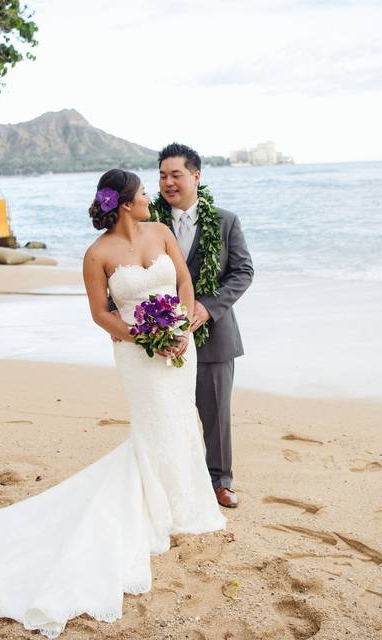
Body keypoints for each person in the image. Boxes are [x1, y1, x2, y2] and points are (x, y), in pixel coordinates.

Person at [0, 169, 226, 638]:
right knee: (154, 424)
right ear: (124, 203)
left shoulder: (160, 233)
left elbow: (184, 284)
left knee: (180, 422)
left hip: (180, 343)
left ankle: (185, 506)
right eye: (142, 194)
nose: (149, 198)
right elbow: (100, 313)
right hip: (137, 350)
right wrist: (145, 338)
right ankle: (152, 512)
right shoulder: (96, 254)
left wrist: (180, 329)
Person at [153, 143, 253, 508]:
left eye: (176, 175)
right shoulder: (147, 224)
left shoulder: (225, 221)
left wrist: (207, 308)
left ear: (196, 176)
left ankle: (220, 482)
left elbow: (243, 272)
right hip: (162, 336)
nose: (168, 182)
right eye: (162, 175)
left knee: (215, 415)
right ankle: (173, 480)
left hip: (214, 336)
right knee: (167, 412)